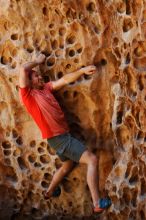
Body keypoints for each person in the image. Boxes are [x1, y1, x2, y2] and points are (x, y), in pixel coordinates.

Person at [19, 54, 111, 213]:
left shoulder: (46, 88)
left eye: (39, 74)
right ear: (29, 82)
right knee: (92, 160)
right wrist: (38, 61)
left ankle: (49, 192)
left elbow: (66, 80)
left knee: (68, 165)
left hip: (57, 139)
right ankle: (97, 203)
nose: (40, 77)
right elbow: (23, 69)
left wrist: (82, 71)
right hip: (59, 138)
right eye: (35, 76)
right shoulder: (29, 96)